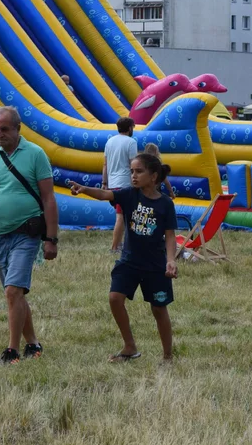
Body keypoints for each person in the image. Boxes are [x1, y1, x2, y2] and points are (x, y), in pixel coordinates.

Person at [0, 106, 59, 366]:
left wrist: (51, 239)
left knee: (11, 292)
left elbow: (48, 199)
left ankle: (12, 351)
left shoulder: (35, 154)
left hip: (27, 233)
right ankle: (33, 344)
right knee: (15, 294)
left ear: (18, 129)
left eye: (5, 129)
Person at [68, 153, 178, 362]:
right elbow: (104, 194)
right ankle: (129, 347)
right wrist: (84, 189)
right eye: (131, 172)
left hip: (155, 265)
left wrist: (170, 260)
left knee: (158, 308)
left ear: (154, 176)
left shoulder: (165, 204)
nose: (133, 176)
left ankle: (167, 356)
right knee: (114, 298)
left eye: (139, 171)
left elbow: (170, 235)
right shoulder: (129, 195)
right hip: (129, 262)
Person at [104, 117, 138, 254]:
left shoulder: (109, 142)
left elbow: (105, 165)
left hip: (113, 184)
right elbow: (134, 165)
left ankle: (124, 244)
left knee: (124, 216)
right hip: (125, 184)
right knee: (121, 216)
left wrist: (104, 183)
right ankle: (115, 247)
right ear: (130, 128)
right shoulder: (131, 142)